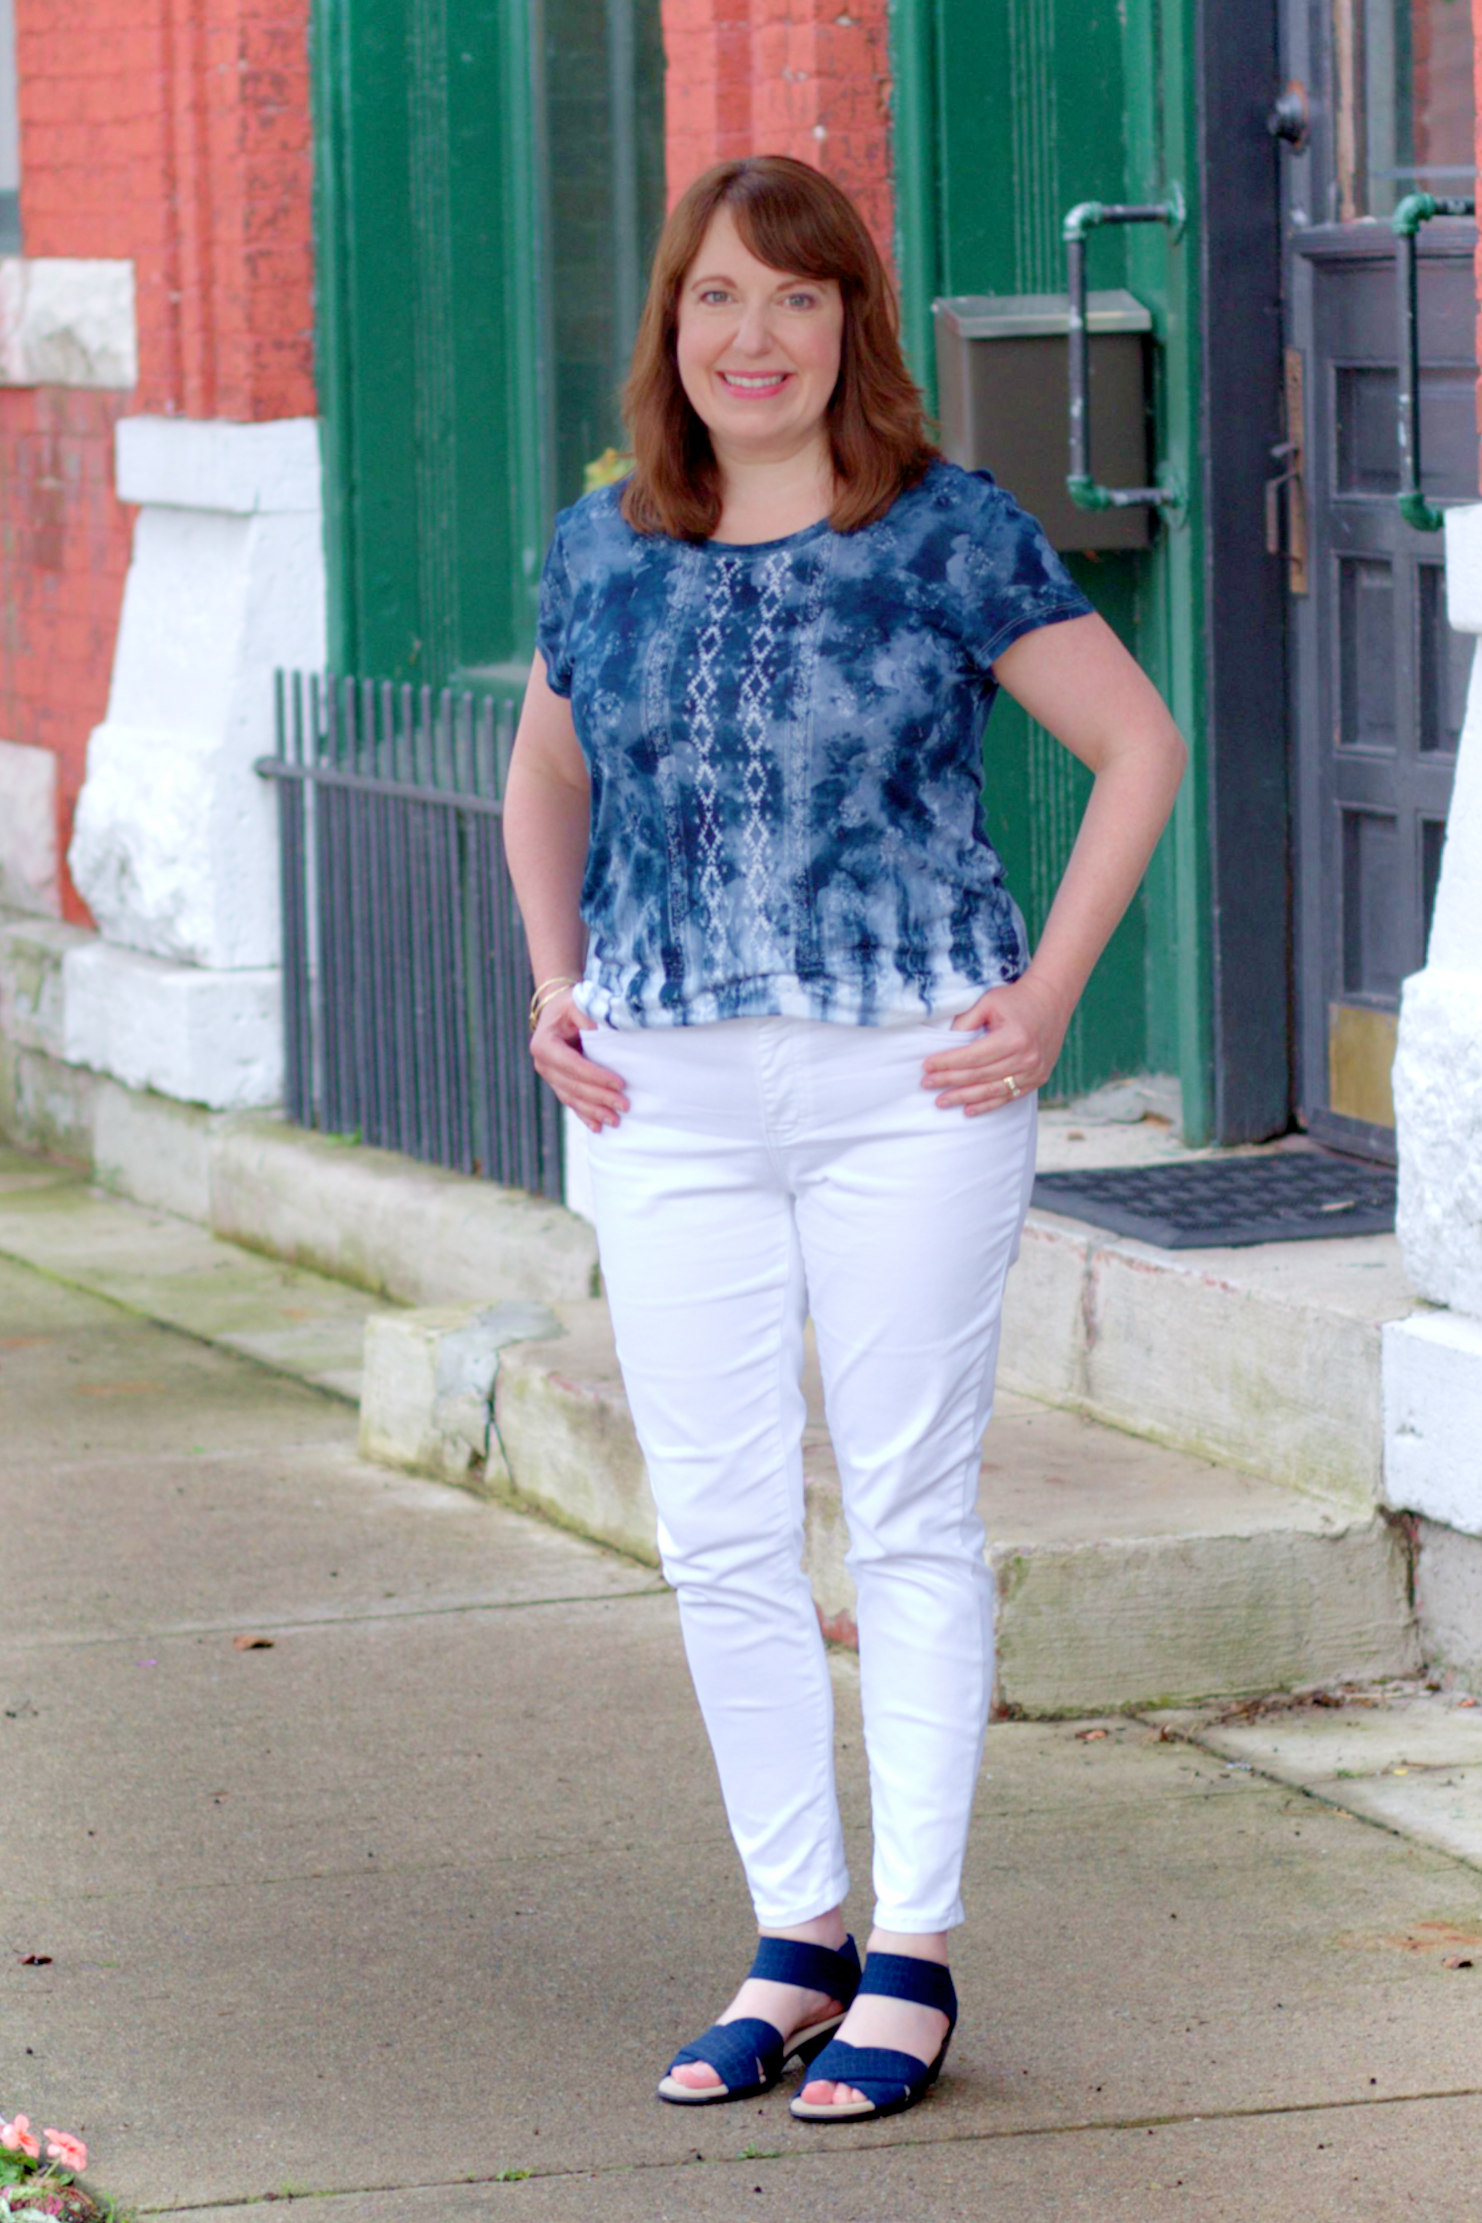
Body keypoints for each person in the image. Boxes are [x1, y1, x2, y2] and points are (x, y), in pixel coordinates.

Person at [503, 153, 1185, 2124]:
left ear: (850, 328)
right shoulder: (606, 544)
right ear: (673, 327)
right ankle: (794, 1933)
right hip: (661, 1094)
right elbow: (543, 773)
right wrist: (554, 975)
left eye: (797, 299)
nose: (754, 337)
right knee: (716, 1527)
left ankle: (917, 1946)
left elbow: (1137, 743)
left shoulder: (944, 532)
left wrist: (1046, 995)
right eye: (719, 298)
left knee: (906, 1510)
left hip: (911, 1084)